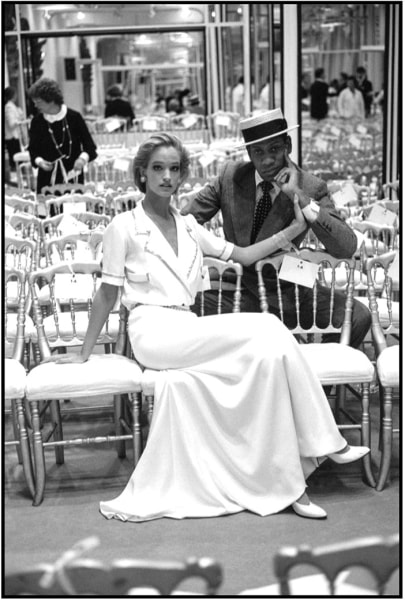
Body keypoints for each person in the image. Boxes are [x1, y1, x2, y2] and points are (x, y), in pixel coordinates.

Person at [45, 132, 369, 523]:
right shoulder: (123, 225)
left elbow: (245, 254)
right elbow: (106, 295)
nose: (167, 176)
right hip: (153, 331)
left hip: (191, 322)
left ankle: (289, 477)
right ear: (142, 174)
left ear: (183, 175)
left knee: (266, 358)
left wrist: (293, 226)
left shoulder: (186, 226)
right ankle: (325, 440)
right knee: (267, 327)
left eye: (175, 169)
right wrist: (84, 353)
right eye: (158, 168)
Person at [182, 109, 371, 350]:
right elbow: (184, 221)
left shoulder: (310, 186)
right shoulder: (230, 177)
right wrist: (211, 253)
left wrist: (299, 197)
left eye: (274, 149)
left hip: (290, 280)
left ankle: (311, 381)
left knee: (358, 316)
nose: (267, 160)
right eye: (258, 152)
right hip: (240, 281)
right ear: (249, 153)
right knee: (179, 308)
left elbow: (346, 246)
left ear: (287, 145)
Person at [28, 78, 97, 193]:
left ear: (51, 100)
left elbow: (89, 147)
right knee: (48, 209)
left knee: (74, 208)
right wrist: (40, 162)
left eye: (38, 102)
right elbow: (33, 149)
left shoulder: (74, 117)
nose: (35, 106)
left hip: (73, 176)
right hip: (47, 179)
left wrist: (81, 159)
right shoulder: (37, 122)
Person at [4, 86, 24, 171]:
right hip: (12, 137)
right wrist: (20, 121)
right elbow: (11, 124)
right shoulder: (9, 106)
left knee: (17, 161)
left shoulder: (12, 106)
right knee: (16, 162)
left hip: (14, 137)